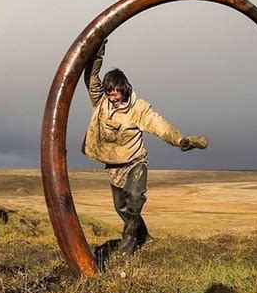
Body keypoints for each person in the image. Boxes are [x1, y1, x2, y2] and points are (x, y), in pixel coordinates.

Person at [82, 39, 208, 256]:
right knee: (121, 207)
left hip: (135, 162)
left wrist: (179, 140)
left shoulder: (138, 108)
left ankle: (129, 241)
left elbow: (159, 125)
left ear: (124, 89)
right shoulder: (101, 102)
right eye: (109, 92)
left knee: (134, 198)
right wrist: (96, 53)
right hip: (114, 166)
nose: (112, 96)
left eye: (115, 92)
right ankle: (144, 236)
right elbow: (91, 78)